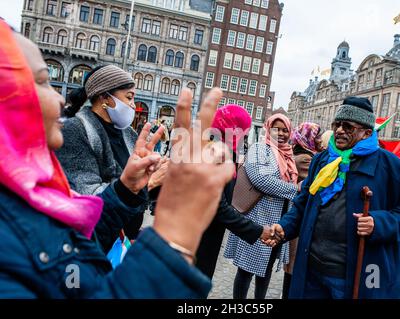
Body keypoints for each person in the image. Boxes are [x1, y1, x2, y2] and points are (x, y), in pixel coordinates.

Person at [0, 22, 234, 298]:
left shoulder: (24, 188)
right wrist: (173, 237)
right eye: (42, 81)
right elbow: (85, 197)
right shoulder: (78, 129)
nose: (60, 99)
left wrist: (128, 187)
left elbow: (76, 238)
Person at [266, 97, 400, 299]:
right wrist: (284, 227)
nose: (340, 130)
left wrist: (379, 223)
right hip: (313, 271)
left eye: (348, 126)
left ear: (367, 132)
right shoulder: (322, 160)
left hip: (361, 273)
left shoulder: (392, 167)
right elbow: (304, 202)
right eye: (337, 124)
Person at [56, 65, 156, 243]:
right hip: (95, 242)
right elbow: (89, 198)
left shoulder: (129, 134)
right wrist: (142, 185)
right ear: (104, 97)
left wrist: (157, 180)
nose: (133, 105)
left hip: (124, 240)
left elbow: (140, 192)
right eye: (129, 97)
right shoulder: (75, 130)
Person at [224, 114, 299, 299]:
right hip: (257, 218)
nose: (281, 133)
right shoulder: (259, 149)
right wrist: (294, 189)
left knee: (264, 272)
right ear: (268, 128)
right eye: (276, 128)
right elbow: (261, 180)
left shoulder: (288, 154)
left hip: (279, 221)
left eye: (285, 129)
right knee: (245, 272)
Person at [195, 104, 272, 279]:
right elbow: (218, 206)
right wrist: (258, 230)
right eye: (244, 129)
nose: (245, 134)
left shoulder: (223, 147)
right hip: (198, 235)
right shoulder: (216, 152)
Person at [282, 122, 323, 298]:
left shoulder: (301, 154)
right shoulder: (307, 159)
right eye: (318, 136)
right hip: (301, 216)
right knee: (294, 265)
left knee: (292, 265)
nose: (321, 140)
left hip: (298, 213)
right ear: (309, 138)